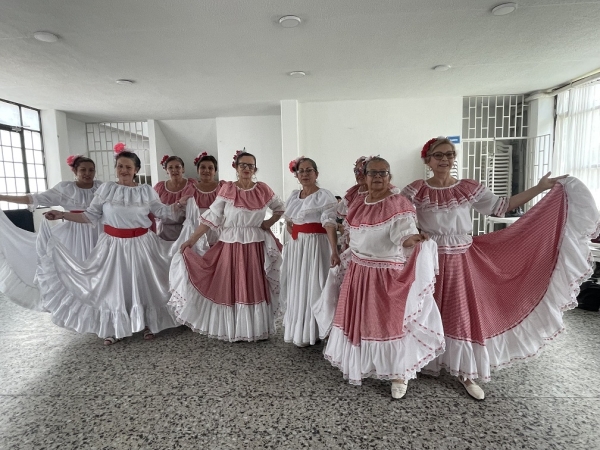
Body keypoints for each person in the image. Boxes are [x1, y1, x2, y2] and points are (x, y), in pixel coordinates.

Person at [402, 136, 600, 400]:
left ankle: (465, 371)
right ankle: (411, 363)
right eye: (439, 155)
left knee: (461, 312)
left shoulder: (468, 187)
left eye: (449, 154)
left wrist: (540, 188)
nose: (445, 160)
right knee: (423, 308)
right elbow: (398, 217)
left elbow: (502, 206)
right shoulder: (415, 190)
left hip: (461, 258)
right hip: (427, 258)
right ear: (427, 160)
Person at [314, 156, 444, 399]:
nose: (377, 177)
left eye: (383, 173)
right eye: (373, 173)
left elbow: (404, 235)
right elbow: (352, 235)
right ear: (365, 175)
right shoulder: (358, 203)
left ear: (389, 177)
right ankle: (365, 364)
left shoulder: (398, 203)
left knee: (391, 323)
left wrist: (413, 240)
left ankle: (398, 374)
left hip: (386, 274)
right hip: (359, 271)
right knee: (361, 322)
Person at [38, 143, 188, 345]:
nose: (123, 170)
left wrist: (179, 205)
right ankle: (114, 327)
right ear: (115, 168)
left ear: (136, 170)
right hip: (112, 246)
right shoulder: (106, 189)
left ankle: (147, 323)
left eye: (128, 167)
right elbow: (90, 216)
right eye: (120, 166)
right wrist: (62, 214)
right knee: (113, 287)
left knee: (144, 285)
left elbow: (163, 213)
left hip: (142, 245)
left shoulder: (146, 191)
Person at [170, 151, 285, 342]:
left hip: (256, 243)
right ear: (236, 167)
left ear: (255, 169)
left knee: (253, 284)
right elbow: (211, 218)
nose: (247, 169)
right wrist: (191, 240)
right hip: (231, 244)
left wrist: (269, 222)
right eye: (243, 165)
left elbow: (280, 207)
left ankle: (255, 329)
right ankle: (236, 328)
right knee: (232, 284)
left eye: (250, 166)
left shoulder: (263, 189)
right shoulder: (227, 189)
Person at [0, 155, 102, 310]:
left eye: (91, 170)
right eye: (83, 170)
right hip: (74, 233)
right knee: (75, 269)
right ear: (75, 170)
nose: (87, 173)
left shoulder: (101, 187)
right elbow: (35, 198)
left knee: (100, 268)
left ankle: (101, 302)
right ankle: (81, 307)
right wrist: (2, 197)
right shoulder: (65, 188)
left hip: (100, 232)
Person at [280, 157, 340, 347]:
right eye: (301, 171)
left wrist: (334, 250)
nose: (305, 174)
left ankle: (319, 330)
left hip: (316, 246)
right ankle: (301, 332)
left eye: (309, 170)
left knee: (316, 285)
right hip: (298, 247)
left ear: (316, 173)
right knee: (299, 285)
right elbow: (290, 222)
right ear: (296, 175)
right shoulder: (293, 196)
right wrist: (293, 233)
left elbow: (330, 224)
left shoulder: (324, 196)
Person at [178, 152, 225, 247]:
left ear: (215, 171)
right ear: (198, 170)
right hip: (197, 236)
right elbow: (184, 213)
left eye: (210, 168)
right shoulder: (190, 189)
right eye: (203, 167)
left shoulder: (223, 187)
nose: (206, 170)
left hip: (220, 235)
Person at [153, 155, 193, 241]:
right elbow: (154, 209)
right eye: (170, 167)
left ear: (183, 169)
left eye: (177, 167)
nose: (174, 170)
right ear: (166, 171)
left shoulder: (191, 185)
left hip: (185, 232)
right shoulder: (159, 187)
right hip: (163, 233)